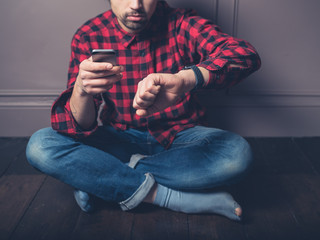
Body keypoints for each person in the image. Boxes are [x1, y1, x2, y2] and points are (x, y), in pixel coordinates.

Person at [26, 0, 261, 221]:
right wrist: (81, 91)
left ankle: (99, 180)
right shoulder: (89, 34)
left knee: (236, 155)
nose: (136, 5)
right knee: (40, 145)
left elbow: (245, 55)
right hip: (117, 138)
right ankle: (172, 197)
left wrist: (186, 79)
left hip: (181, 138)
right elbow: (81, 127)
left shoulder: (182, 23)